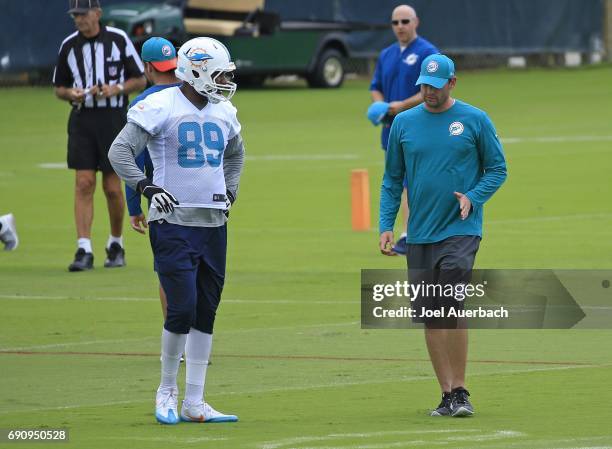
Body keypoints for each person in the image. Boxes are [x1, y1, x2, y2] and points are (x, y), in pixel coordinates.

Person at [109, 36, 245, 424]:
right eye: (217, 73)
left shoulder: (225, 111)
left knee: (206, 311)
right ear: (196, 70)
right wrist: (145, 186)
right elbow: (120, 151)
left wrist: (230, 191)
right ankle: (167, 389)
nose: (223, 81)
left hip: (214, 223)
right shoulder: (159, 104)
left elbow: (236, 154)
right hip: (172, 222)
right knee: (181, 307)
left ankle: (196, 400)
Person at [379, 54, 507, 417]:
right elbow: (391, 180)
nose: (428, 92)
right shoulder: (403, 123)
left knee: (449, 302)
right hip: (420, 233)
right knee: (431, 314)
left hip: (461, 229)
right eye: (423, 86)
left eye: (435, 87)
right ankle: (447, 393)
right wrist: (386, 225)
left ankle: (463, 390)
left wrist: (473, 197)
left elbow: (498, 168)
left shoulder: (475, 119)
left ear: (452, 83)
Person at [53, 0, 146, 272]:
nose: (79, 20)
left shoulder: (118, 40)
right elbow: (59, 87)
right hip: (82, 118)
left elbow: (139, 79)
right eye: (75, 15)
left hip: (113, 118)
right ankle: (84, 248)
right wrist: (71, 93)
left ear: (97, 13)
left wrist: (115, 89)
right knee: (83, 183)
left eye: (83, 14)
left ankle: (115, 243)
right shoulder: (69, 45)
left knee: (112, 187)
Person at [370, 4, 438, 255]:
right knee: (394, 182)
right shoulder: (387, 53)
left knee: (414, 183)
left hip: (419, 128)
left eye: (405, 21)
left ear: (416, 22)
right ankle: (408, 234)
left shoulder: (427, 53)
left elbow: (432, 89)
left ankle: (411, 235)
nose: (400, 27)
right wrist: (380, 105)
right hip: (391, 130)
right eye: (395, 23)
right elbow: (375, 85)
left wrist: (402, 105)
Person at [124, 36, 181, 321]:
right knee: (200, 272)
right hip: (206, 197)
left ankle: (176, 340)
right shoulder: (197, 94)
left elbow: (133, 159)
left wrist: (134, 206)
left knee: (169, 273)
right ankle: (197, 342)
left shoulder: (144, 103)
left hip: (163, 199)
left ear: (148, 68)